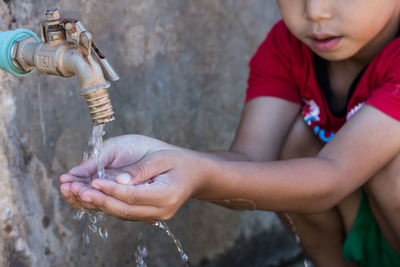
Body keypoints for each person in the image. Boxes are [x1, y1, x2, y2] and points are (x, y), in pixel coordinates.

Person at [60, 1, 400, 266]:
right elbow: (249, 161)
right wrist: (165, 158)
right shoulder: (287, 46)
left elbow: (335, 175)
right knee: (294, 143)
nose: (316, 11)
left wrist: (200, 176)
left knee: (393, 170)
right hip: (366, 225)